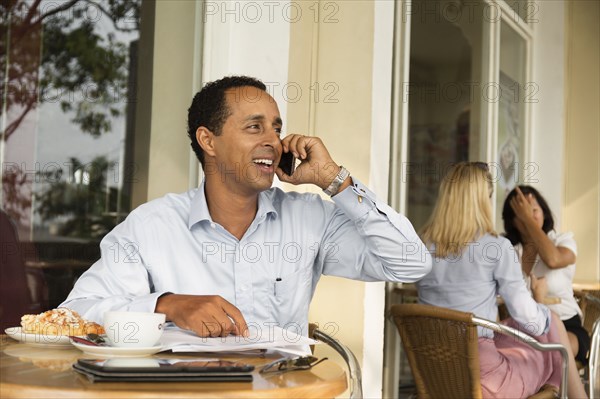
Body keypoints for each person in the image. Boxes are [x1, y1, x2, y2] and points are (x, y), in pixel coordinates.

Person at [60, 75, 432, 339]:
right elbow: (75, 312)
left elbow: (411, 262)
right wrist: (168, 305)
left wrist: (335, 180)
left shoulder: (310, 219)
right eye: (255, 127)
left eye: (276, 128)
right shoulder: (151, 226)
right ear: (208, 140)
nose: (273, 140)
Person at [416, 162, 587, 398]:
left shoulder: (421, 246)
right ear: (482, 200)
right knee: (551, 328)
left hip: (434, 373)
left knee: (543, 326)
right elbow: (529, 319)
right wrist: (545, 317)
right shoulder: (496, 247)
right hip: (486, 381)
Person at [503, 185, 590, 365]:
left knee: (551, 356)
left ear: (544, 212)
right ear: (513, 221)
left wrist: (527, 219)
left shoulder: (562, 241)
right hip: (523, 329)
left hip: (566, 326)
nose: (531, 215)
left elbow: (553, 259)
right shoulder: (509, 252)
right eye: (523, 212)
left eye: (534, 209)